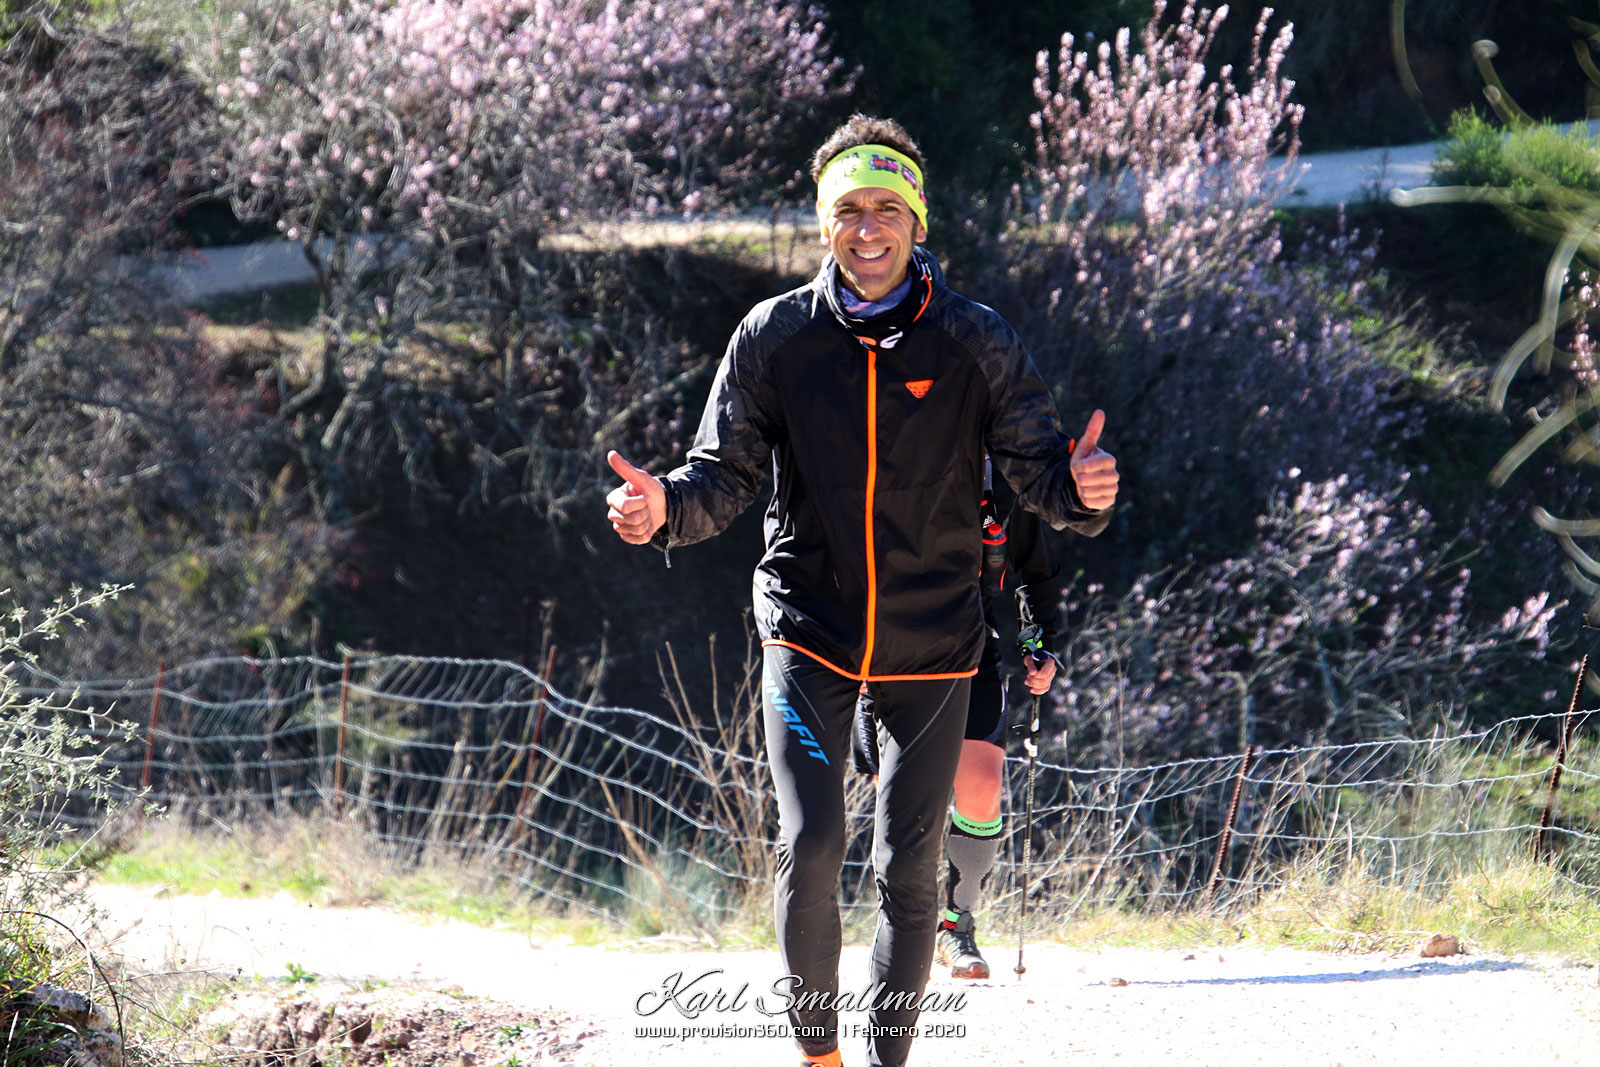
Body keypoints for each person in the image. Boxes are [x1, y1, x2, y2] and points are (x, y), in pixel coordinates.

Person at [604, 114, 1117, 1067]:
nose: (868, 228)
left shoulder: (975, 340)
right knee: (810, 840)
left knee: (910, 872)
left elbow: (1042, 477)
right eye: (848, 210)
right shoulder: (775, 336)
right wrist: (663, 508)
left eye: (887, 208)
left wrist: (1083, 491)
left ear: (918, 223)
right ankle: (820, 1057)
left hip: (935, 642)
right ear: (824, 223)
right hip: (809, 629)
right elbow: (721, 474)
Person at [852, 464, 1061, 982]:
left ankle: (955, 927)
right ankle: (902, 930)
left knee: (983, 789)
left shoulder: (1003, 468)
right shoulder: (888, 444)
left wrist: (1040, 642)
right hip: (885, 649)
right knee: (899, 806)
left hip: (970, 645)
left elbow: (1033, 568)